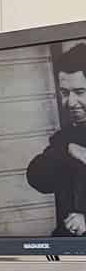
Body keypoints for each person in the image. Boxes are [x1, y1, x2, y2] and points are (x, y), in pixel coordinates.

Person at [26, 42, 86, 236]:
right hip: (68, 248)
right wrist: (68, 151)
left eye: (79, 92)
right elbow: (38, 179)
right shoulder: (65, 138)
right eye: (65, 93)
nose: (71, 102)